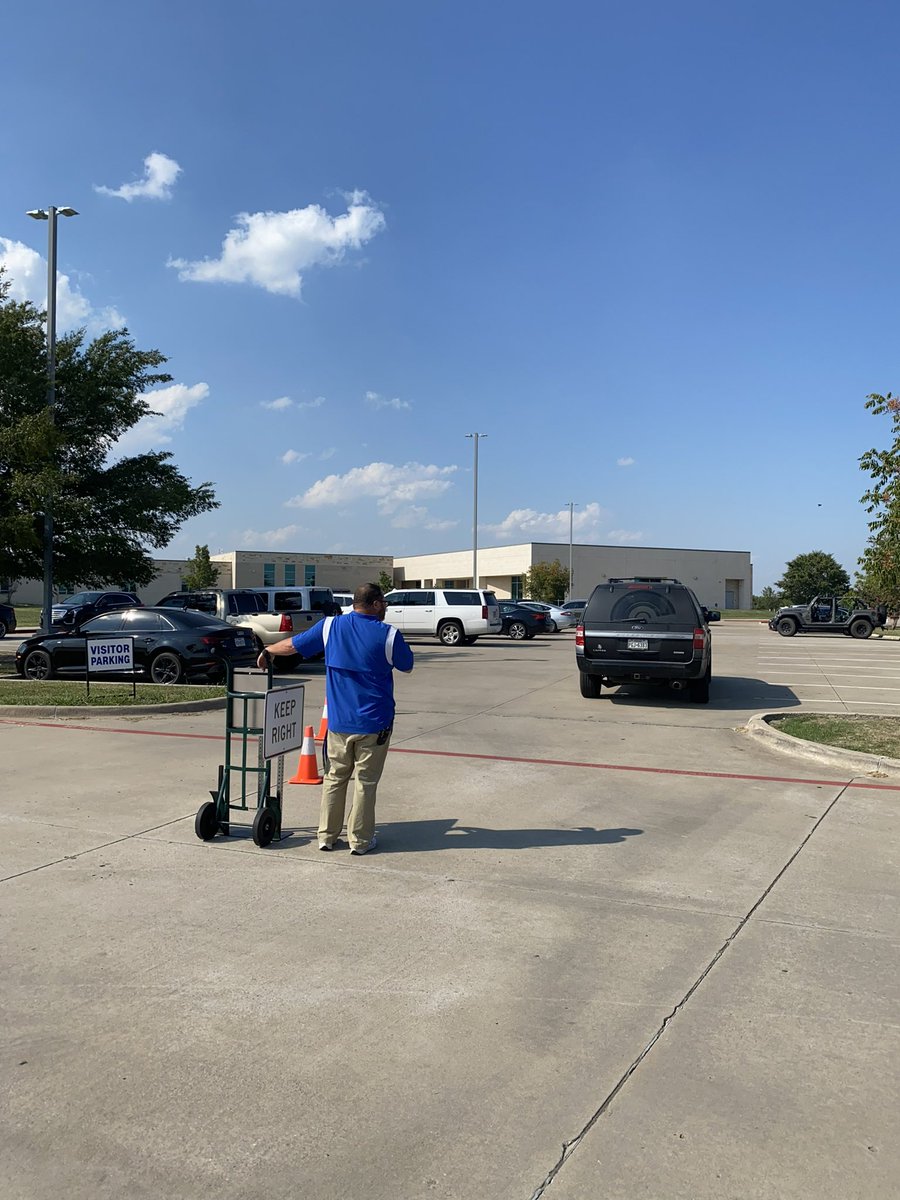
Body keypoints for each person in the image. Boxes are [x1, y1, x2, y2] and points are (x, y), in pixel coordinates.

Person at [258, 582, 414, 854]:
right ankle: (361, 841)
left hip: (339, 723)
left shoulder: (330, 626)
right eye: (384, 604)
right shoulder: (388, 634)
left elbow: (293, 645)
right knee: (365, 783)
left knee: (334, 778)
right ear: (376, 604)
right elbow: (407, 664)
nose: (386, 609)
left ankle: (327, 837)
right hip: (375, 724)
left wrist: (268, 651)